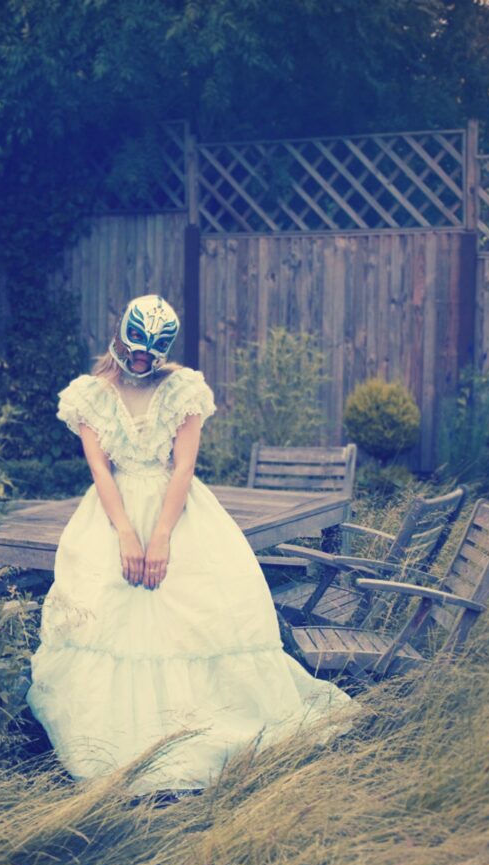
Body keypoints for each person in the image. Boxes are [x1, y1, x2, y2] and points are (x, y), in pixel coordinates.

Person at [26, 295, 355, 793]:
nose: (140, 363)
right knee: (112, 623)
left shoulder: (184, 390)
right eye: (134, 352)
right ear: (120, 337)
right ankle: (118, 740)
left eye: (149, 355)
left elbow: (183, 466)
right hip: (111, 515)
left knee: (193, 620)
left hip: (178, 514)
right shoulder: (88, 395)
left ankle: (196, 728)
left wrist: (160, 537)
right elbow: (100, 469)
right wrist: (126, 535)